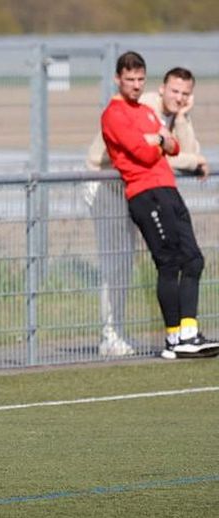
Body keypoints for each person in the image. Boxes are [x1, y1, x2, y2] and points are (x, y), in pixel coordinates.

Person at [84, 66, 210, 357]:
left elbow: (179, 151)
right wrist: (190, 157)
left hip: (140, 185)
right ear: (162, 89)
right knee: (119, 261)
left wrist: (181, 119)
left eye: (185, 94)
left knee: (171, 258)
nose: (179, 98)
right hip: (106, 183)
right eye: (175, 91)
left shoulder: (173, 112)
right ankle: (111, 336)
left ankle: (175, 335)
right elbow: (156, 154)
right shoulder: (147, 106)